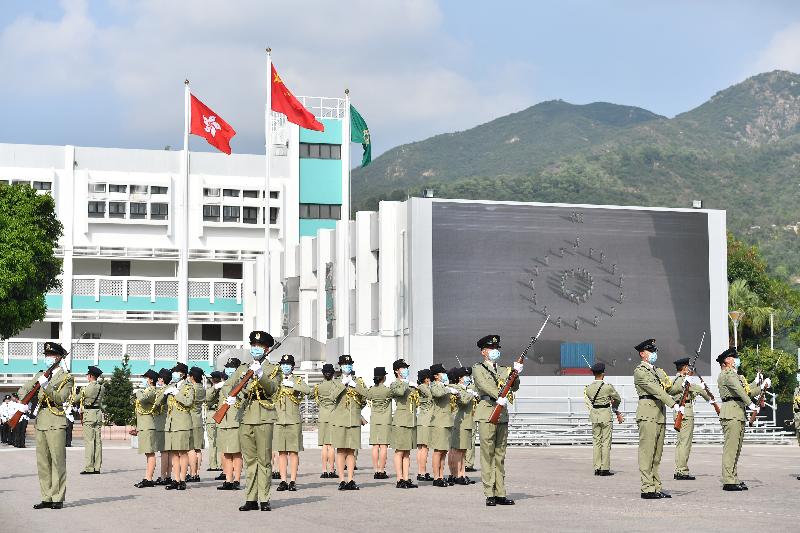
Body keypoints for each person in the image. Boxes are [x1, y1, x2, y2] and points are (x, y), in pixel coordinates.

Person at [18, 341, 74, 509]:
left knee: (58, 461)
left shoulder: (66, 377)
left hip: (56, 421)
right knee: (43, 462)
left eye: (50, 356)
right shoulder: (40, 374)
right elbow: (23, 389)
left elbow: (60, 398)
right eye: (46, 356)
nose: (47, 358)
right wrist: (25, 401)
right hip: (41, 420)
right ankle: (46, 497)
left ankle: (57, 497)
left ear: (58, 358)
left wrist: (46, 386)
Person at [236, 330, 281, 512]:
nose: (255, 349)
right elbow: (232, 386)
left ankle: (264, 498)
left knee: (264, 460)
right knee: (249, 461)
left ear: (267, 349)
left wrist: (261, 375)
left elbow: (272, 389)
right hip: (246, 416)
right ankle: (250, 498)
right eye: (253, 346)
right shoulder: (243, 368)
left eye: (259, 347)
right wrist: (233, 397)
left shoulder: (273, 369)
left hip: (264, 416)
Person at [472, 335, 520, 506]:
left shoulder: (503, 369)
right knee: (488, 455)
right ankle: (489, 493)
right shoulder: (478, 368)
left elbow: (513, 386)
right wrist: (498, 396)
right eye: (491, 349)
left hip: (501, 415)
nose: (495, 351)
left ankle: (500, 492)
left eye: (496, 348)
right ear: (483, 351)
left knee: (500, 456)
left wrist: (516, 373)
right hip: (487, 413)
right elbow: (483, 384)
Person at [633, 338, 681, 499]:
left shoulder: (657, 371)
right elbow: (655, 390)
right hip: (647, 414)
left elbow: (669, 388)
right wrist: (673, 404)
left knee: (657, 454)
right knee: (647, 452)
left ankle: (656, 487)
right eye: (650, 351)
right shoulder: (640, 371)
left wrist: (683, 380)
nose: (654, 354)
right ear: (642, 354)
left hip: (659, 414)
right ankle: (647, 488)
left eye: (654, 351)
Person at [717, 347, 768, 491]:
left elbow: (748, 391)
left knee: (736, 449)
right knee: (731, 449)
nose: (736, 360)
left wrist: (761, 384)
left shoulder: (736, 376)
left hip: (738, 413)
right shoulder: (727, 374)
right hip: (731, 412)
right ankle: (728, 480)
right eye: (734, 357)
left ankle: (733, 477)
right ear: (727, 361)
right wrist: (751, 404)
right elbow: (739, 391)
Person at [326, 354, 368, 491]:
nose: (347, 366)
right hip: (339, 421)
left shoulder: (358, 381)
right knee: (341, 450)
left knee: (351, 450)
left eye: (349, 364)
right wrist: (342, 385)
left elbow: (366, 396)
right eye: (344, 364)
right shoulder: (335, 381)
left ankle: (351, 479)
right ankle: (341, 480)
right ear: (340, 366)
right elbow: (331, 397)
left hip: (354, 420)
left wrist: (355, 386)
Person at [668, 357, 712, 480]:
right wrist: (706, 393)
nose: (690, 369)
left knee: (680, 443)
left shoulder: (677, 380)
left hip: (679, 411)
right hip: (685, 410)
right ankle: (682, 471)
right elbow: (698, 390)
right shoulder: (682, 380)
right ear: (685, 368)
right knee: (685, 443)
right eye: (688, 367)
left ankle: (679, 469)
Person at [274, 354, 311, 491]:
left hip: (293, 420)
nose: (285, 367)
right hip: (278, 420)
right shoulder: (276, 380)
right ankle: (283, 480)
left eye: (288, 364)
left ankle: (293, 480)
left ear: (293, 366)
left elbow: (309, 391)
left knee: (293, 452)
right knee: (281, 452)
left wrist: (293, 384)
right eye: (283, 364)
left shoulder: (298, 380)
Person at [584, 362, 623, 476]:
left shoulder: (589, 388)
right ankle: (604, 468)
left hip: (595, 415)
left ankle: (597, 467)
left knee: (596, 442)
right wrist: (615, 407)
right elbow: (618, 399)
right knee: (606, 442)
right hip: (605, 415)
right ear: (603, 373)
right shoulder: (607, 387)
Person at [162, 363, 194, 491]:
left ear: (183, 374)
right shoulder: (172, 386)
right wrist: (163, 391)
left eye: (176, 371)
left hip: (182, 424)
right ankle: (175, 479)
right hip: (171, 424)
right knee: (174, 453)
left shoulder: (188, 387)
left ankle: (182, 480)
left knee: (183, 452)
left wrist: (176, 393)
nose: (174, 374)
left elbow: (188, 402)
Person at [389, 359, 418, 488]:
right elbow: (399, 392)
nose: (405, 370)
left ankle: (406, 478)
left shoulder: (410, 385)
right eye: (402, 368)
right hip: (401, 421)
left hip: (411, 420)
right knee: (399, 451)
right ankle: (399, 479)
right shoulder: (395, 384)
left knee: (407, 452)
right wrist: (406, 383)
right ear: (397, 370)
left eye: (406, 367)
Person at [216, 357, 243, 491]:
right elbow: (209, 398)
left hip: (235, 422)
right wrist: (216, 386)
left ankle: (237, 479)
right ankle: (228, 479)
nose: (229, 369)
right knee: (226, 453)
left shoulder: (242, 383)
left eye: (232, 367)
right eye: (228, 367)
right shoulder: (224, 384)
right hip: (223, 422)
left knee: (236, 453)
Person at [448, 367, 477, 486]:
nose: (467, 378)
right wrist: (470, 394)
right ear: (459, 378)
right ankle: (456, 475)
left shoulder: (464, 389)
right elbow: (463, 401)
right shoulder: (455, 388)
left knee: (463, 451)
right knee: (456, 450)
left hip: (467, 422)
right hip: (459, 422)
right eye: (465, 376)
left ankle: (461, 474)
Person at [133, 369, 161, 488]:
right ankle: (147, 477)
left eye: (146, 378)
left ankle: (148, 478)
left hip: (149, 425)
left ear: (150, 380)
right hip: (145, 426)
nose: (144, 380)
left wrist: (138, 391)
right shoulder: (148, 390)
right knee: (147, 453)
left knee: (150, 453)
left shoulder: (152, 391)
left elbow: (142, 399)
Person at [428, 363, 453, 487]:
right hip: (439, 423)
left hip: (446, 421)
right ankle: (436, 477)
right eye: (442, 373)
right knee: (438, 451)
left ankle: (441, 475)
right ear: (436, 376)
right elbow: (438, 394)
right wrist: (448, 388)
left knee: (443, 451)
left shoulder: (443, 386)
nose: (445, 375)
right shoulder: (434, 386)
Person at [366, 366, 392, 480]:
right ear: (384, 377)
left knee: (375, 446)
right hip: (385, 419)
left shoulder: (371, 390)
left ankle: (375, 470)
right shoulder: (387, 390)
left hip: (374, 419)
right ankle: (381, 470)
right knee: (384, 445)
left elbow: (366, 397)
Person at [315, 363, 338, 479]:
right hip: (333, 415)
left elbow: (315, 399)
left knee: (324, 445)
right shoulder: (336, 385)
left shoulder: (319, 386)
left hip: (322, 415)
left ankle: (324, 470)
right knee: (332, 445)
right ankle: (332, 470)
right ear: (333, 373)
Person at [80, 365, 104, 474]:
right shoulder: (101, 387)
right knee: (98, 442)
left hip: (89, 415)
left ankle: (89, 467)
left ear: (90, 376)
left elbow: (77, 398)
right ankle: (97, 467)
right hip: (98, 414)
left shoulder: (87, 388)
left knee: (89, 441)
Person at [185, 366, 206, 482]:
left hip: (190, 419)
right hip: (199, 419)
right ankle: (197, 473)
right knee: (198, 449)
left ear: (192, 376)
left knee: (191, 448)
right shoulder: (202, 388)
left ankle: (192, 473)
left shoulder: (191, 388)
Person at [154, 368, 172, 485]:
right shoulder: (170, 389)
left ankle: (163, 476)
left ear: (162, 379)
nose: (158, 380)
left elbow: (157, 404)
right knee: (169, 452)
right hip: (168, 423)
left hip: (162, 423)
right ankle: (168, 475)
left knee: (164, 452)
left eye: (159, 378)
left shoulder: (164, 391)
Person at [415, 369, 433, 482]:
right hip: (426, 421)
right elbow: (432, 396)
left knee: (421, 448)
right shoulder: (423, 387)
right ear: (426, 378)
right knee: (424, 448)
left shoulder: (421, 387)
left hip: (422, 419)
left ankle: (421, 471)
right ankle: (422, 472)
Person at [205, 371, 224, 472]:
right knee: (218, 441)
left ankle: (214, 464)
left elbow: (207, 399)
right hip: (219, 415)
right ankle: (219, 464)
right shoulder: (221, 388)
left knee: (213, 441)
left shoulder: (212, 389)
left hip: (212, 415)